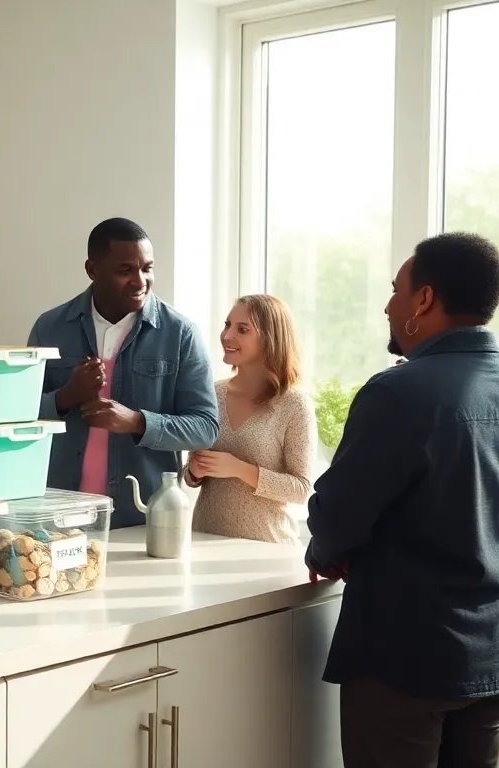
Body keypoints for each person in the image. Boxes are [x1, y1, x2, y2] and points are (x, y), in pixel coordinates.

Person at [305, 232, 499, 768]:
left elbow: (336, 519)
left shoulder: (399, 393)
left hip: (403, 659)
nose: (387, 305)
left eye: (395, 290)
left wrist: (323, 553)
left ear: (424, 301)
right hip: (491, 653)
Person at [29, 217, 219, 527]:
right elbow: (19, 418)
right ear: (92, 270)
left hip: (141, 520)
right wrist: (65, 397)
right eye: (125, 270)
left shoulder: (180, 334)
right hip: (58, 515)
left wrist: (136, 421)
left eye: (147, 268)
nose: (140, 280)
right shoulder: (50, 328)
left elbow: (205, 428)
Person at [184, 295, 316, 544]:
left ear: (270, 338)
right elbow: (190, 476)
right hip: (205, 543)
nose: (226, 335)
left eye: (242, 329)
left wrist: (238, 469)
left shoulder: (294, 405)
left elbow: (301, 489)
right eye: (227, 325)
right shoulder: (211, 394)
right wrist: (194, 470)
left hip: (267, 550)